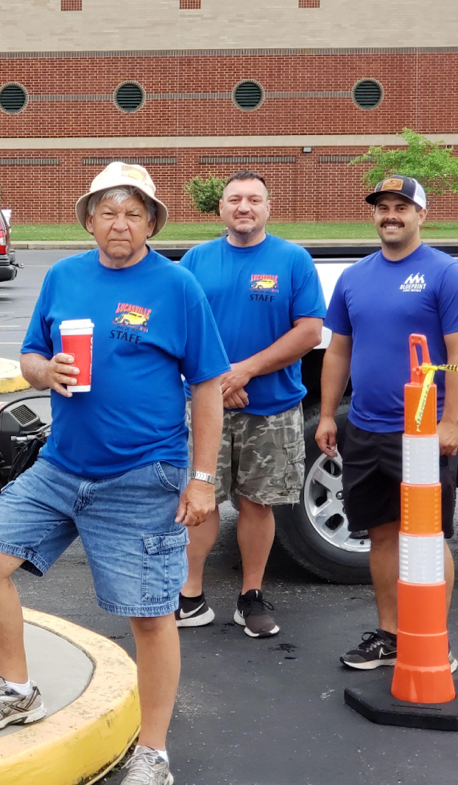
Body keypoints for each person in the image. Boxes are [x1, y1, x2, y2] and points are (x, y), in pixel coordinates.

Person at [0, 162, 229, 785]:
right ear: (88, 219)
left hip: (143, 475)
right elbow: (30, 353)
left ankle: (153, 753)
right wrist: (40, 373)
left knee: (151, 615)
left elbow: (209, 385)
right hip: (60, 466)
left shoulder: (177, 286)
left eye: (134, 213)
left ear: (152, 222)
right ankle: (18, 689)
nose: (120, 224)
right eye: (108, 211)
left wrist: (204, 477)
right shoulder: (63, 276)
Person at [316, 176, 458, 671]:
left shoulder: (446, 275)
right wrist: (326, 415)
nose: (391, 215)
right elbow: (338, 350)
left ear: (421, 215)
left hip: (423, 430)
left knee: (425, 537)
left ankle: (431, 640)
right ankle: (390, 635)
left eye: (401, 207)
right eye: (383, 207)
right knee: (382, 534)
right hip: (364, 427)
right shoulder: (354, 277)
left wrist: (450, 422)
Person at [176, 172, 325, 638]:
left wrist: (247, 371)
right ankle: (190, 596)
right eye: (235, 199)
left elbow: (309, 332)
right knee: (199, 502)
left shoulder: (293, 260)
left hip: (274, 408)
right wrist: (222, 377)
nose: (245, 207)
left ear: (267, 207)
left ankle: (250, 596)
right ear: (220, 208)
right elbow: (180, 331)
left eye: (254, 199)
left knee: (257, 504)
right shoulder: (195, 262)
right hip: (205, 407)